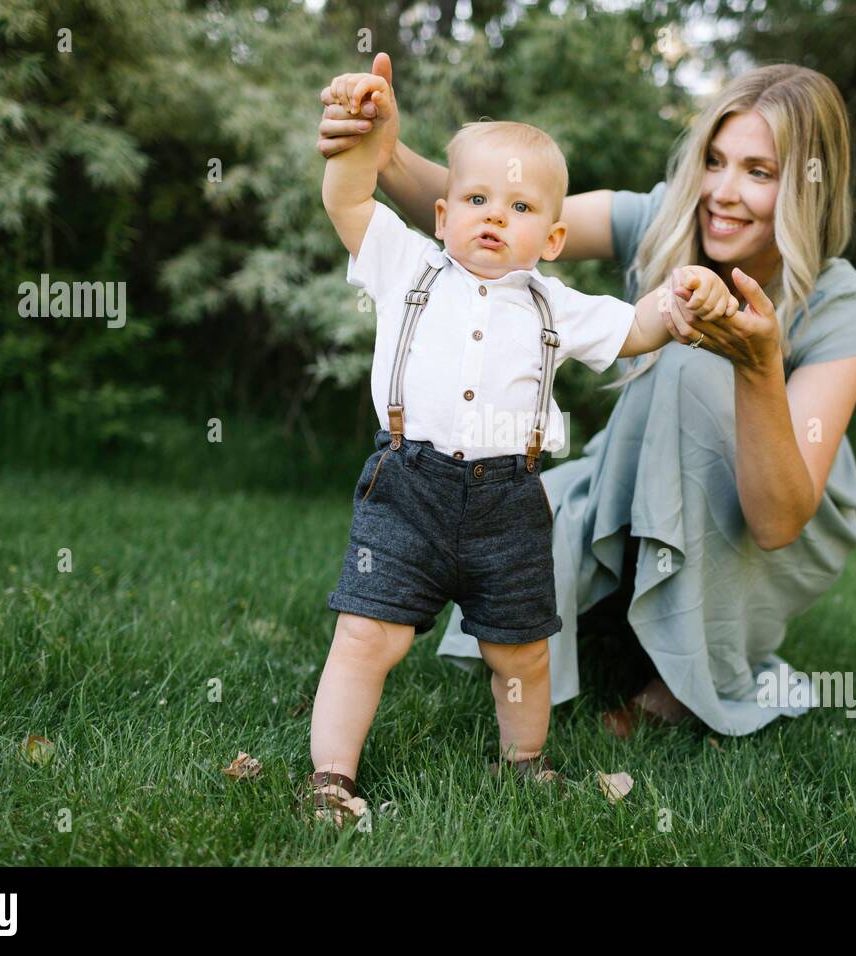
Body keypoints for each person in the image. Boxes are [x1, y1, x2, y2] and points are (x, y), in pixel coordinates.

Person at [318, 54, 856, 741]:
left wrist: (761, 366)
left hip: (778, 514)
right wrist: (385, 151)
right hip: (641, 469)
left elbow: (778, 521)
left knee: (687, 361)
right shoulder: (662, 218)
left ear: (807, 184)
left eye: (758, 172)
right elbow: (504, 208)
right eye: (714, 160)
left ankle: (679, 685)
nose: (722, 191)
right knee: (526, 512)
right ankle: (591, 640)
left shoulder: (841, 300)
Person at [304, 71, 738, 825]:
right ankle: (332, 778)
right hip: (406, 489)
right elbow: (346, 198)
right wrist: (358, 132)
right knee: (366, 632)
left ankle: (525, 764)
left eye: (520, 206)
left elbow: (634, 329)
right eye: (476, 201)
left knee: (522, 650)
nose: (494, 217)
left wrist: (677, 303)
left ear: (554, 237)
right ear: (442, 216)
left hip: (509, 504)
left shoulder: (554, 304)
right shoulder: (409, 266)